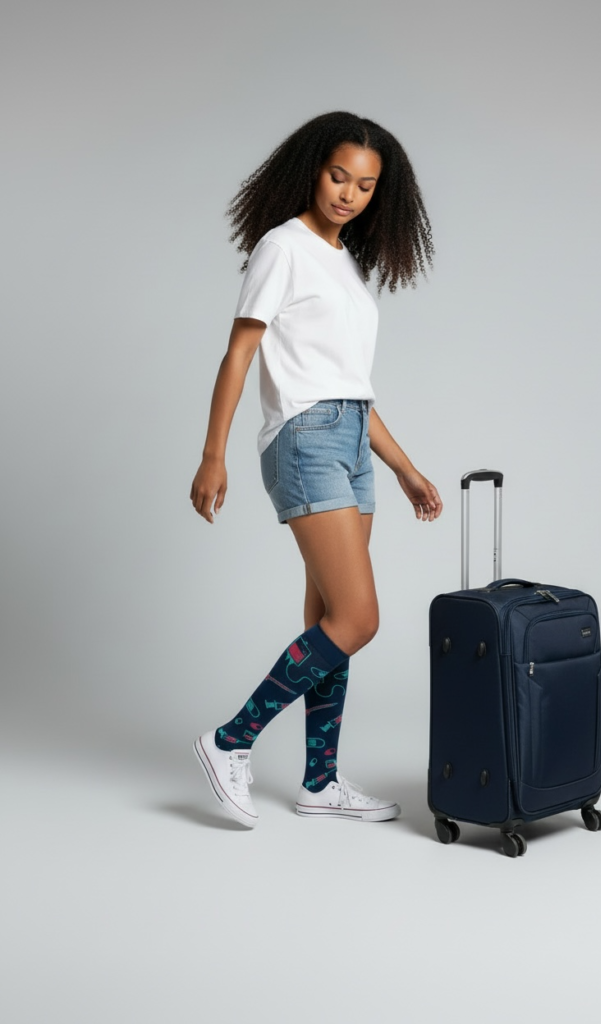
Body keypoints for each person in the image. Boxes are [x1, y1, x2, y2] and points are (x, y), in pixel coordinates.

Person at [190, 110, 442, 828]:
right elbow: (239, 352)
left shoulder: (347, 263)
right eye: (338, 176)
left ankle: (319, 782)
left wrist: (404, 468)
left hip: (351, 438)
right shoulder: (283, 247)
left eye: (364, 185)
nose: (348, 194)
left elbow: (350, 387)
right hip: (305, 439)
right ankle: (228, 740)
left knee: (329, 618)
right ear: (311, 169)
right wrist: (213, 453)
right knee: (358, 619)